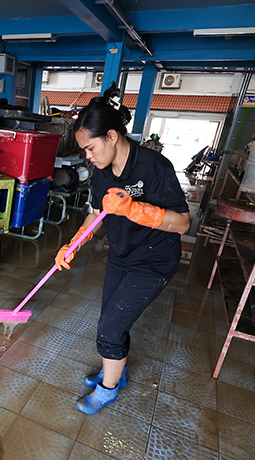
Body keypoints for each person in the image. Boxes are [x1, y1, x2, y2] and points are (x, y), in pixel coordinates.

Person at [55, 86, 190, 415]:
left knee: (110, 327)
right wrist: (74, 243)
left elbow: (183, 224)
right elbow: (96, 213)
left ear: (112, 136)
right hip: (121, 255)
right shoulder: (101, 172)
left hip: (154, 261)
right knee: (112, 320)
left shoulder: (154, 167)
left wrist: (134, 209)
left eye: (90, 147)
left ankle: (108, 388)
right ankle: (115, 369)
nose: (88, 156)